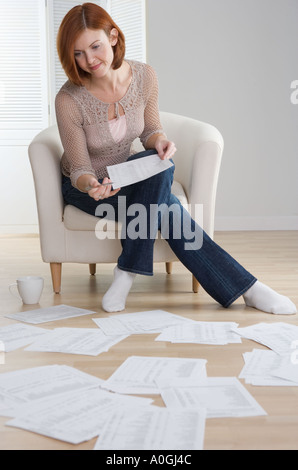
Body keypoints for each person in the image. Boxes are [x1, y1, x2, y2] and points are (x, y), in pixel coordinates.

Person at [55, 2, 296, 315]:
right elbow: (80, 168)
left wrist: (161, 142)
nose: (89, 60)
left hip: (126, 175)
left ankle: (127, 270)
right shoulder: (69, 99)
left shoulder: (144, 76)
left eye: (95, 46)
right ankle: (248, 287)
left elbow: (151, 131)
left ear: (113, 36)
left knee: (161, 165)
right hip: (87, 188)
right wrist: (92, 185)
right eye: (78, 53)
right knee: (168, 208)